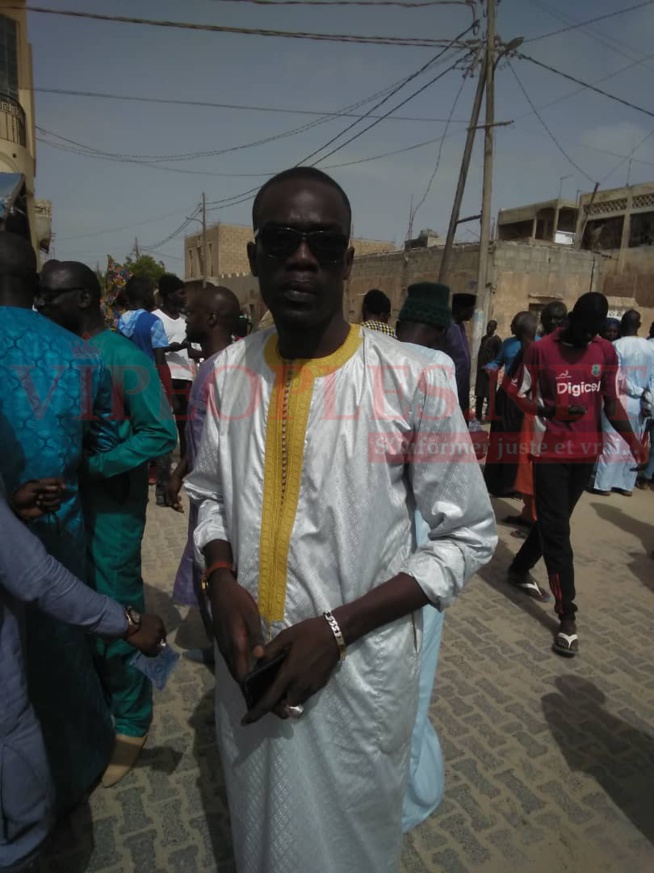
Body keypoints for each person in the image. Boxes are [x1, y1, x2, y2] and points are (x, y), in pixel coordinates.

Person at [184, 167, 496, 873]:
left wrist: (335, 629)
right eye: (283, 240)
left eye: (322, 243)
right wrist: (222, 576)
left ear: (348, 261)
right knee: (261, 834)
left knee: (350, 846)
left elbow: (468, 535)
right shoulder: (229, 371)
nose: (301, 258)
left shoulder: (415, 378)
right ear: (257, 258)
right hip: (250, 671)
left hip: (355, 681)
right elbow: (207, 494)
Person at [36, 260, 178, 786]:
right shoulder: (58, 352)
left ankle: (135, 718)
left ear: (84, 298)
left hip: (113, 508)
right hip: (71, 510)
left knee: (118, 612)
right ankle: (104, 699)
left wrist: (96, 467)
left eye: (50, 297)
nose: (41, 306)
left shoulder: (119, 356)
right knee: (79, 605)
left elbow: (160, 433)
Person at [0, 235, 120, 814]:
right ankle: (75, 766)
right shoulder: (79, 354)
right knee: (60, 643)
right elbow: (100, 439)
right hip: (57, 528)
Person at [0, 477, 166, 873]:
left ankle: (131, 719)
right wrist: (126, 622)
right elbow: (36, 576)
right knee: (23, 822)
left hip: (103, 517)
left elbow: (156, 435)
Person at [506, 292, 646, 657]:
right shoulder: (541, 350)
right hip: (550, 454)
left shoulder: (605, 351)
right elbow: (515, 392)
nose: (589, 337)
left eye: (596, 331)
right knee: (558, 533)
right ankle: (567, 615)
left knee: (554, 523)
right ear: (571, 319)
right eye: (585, 329)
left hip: (586, 455)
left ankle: (519, 569)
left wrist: (633, 442)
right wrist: (552, 409)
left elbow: (612, 403)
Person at [395, 282, 454, 832]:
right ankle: (406, 794)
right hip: (425, 541)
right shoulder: (438, 367)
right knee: (416, 671)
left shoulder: (375, 357)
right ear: (439, 328)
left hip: (378, 541)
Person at [166, 285, 242, 665]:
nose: (186, 319)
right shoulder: (211, 367)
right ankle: (218, 652)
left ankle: (229, 662)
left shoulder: (227, 371)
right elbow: (201, 437)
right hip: (202, 491)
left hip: (220, 500)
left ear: (211, 319)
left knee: (217, 572)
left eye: (192, 313)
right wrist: (180, 470)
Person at [593, 309, 654, 496]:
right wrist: (648, 397)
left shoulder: (616, 346)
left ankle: (603, 484)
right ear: (640, 325)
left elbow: (616, 376)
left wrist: (634, 390)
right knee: (633, 441)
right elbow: (652, 378)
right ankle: (626, 485)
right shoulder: (650, 347)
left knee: (612, 441)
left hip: (618, 398)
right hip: (641, 401)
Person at [443, 292, 476, 415]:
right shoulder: (449, 328)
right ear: (462, 310)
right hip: (451, 388)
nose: (472, 312)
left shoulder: (460, 326)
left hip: (462, 387)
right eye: (471, 309)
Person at [475, 320, 501, 421]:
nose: (489, 328)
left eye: (491, 327)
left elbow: (499, 357)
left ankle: (489, 416)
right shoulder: (484, 339)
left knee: (490, 395)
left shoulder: (497, 340)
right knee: (479, 395)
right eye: (488, 326)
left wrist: (492, 368)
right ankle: (478, 416)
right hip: (481, 372)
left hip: (490, 373)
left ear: (495, 328)